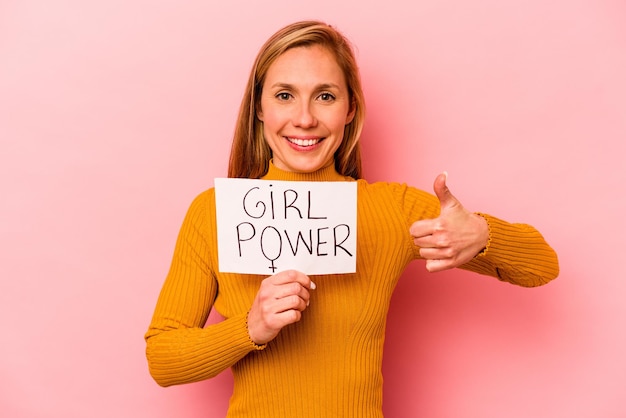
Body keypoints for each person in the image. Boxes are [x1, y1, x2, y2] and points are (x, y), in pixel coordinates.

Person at [145, 20, 559, 418]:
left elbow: (542, 265)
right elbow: (162, 359)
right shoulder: (215, 213)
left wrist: (483, 233)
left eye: (325, 96)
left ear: (350, 109)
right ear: (259, 108)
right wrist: (249, 328)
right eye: (284, 95)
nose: (304, 118)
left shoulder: (390, 210)